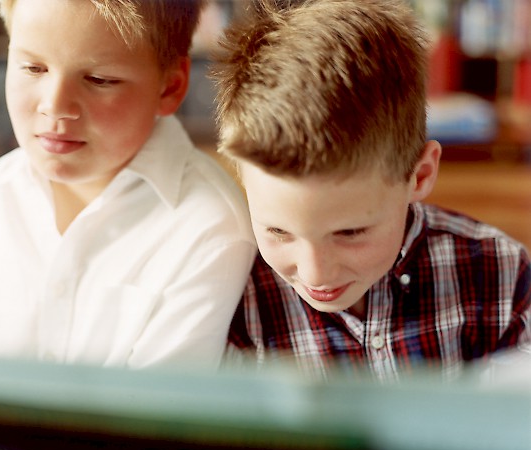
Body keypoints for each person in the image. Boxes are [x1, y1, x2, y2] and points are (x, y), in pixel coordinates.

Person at [0, 0, 256, 369]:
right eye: (33, 67)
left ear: (170, 86)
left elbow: (156, 414)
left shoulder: (210, 230)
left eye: (99, 79)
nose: (55, 106)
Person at [210, 0, 531, 381]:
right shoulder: (230, 299)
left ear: (420, 174)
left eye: (350, 233)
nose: (316, 273)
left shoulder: (501, 274)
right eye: (278, 231)